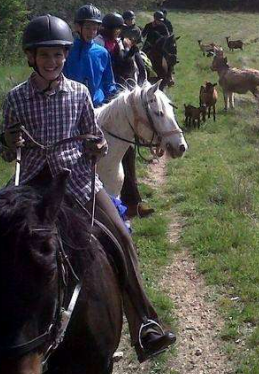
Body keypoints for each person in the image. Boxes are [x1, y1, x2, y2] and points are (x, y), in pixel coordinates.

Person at [0, 14, 176, 363]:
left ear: (65, 56)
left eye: (58, 55)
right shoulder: (16, 99)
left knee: (121, 237)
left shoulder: (79, 93)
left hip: (79, 182)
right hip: (33, 184)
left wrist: (97, 148)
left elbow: (96, 139)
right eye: (45, 55)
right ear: (31, 57)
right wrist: (8, 141)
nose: (52, 62)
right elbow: (8, 150)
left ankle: (145, 322)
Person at [96, 12, 153, 218]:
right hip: (100, 103)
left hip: (117, 99)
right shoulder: (100, 45)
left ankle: (133, 201)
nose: (118, 32)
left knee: (126, 150)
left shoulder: (120, 43)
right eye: (116, 28)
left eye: (119, 29)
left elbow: (128, 69)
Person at [63, 4, 117, 108]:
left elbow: (109, 81)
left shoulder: (102, 53)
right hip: (72, 106)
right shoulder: (68, 51)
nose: (91, 32)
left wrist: (112, 96)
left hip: (97, 106)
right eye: (87, 28)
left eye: (95, 29)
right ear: (78, 27)